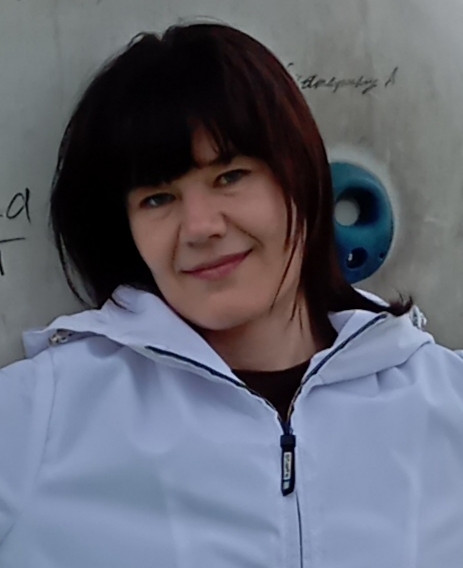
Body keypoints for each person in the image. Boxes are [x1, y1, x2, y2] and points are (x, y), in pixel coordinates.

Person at [0, 22, 462, 568]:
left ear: (300, 175)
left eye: (231, 176)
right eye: (157, 198)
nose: (200, 226)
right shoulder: (43, 414)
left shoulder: (445, 401)